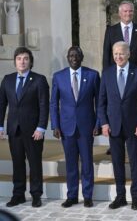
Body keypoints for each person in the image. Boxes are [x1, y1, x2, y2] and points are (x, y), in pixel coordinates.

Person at [98, 41, 137, 211]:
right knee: (117, 163)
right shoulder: (107, 74)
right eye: (115, 54)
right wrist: (104, 123)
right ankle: (120, 196)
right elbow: (101, 103)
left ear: (128, 54)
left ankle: (136, 198)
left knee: (135, 163)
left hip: (134, 126)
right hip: (113, 126)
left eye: (121, 53)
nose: (118, 57)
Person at [102, 0, 137, 154]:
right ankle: (113, 143)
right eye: (125, 11)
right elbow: (106, 55)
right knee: (114, 109)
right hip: (117, 76)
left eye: (130, 11)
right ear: (119, 13)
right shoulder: (111, 31)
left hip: (136, 77)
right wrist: (106, 77)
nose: (128, 14)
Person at [50, 46, 100, 208]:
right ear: (67, 57)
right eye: (71, 55)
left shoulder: (92, 75)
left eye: (77, 55)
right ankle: (71, 196)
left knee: (87, 162)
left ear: (82, 57)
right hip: (66, 127)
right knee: (71, 163)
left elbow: (99, 103)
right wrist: (55, 125)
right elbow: (53, 104)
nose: (74, 58)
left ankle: (87, 196)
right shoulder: (58, 77)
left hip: (87, 126)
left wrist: (98, 123)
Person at [0, 47, 49, 208]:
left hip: (33, 131)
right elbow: (2, 105)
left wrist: (41, 127)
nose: (22, 61)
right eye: (19, 58)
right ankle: (18, 194)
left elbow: (44, 105)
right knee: (17, 163)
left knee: (35, 163)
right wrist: (0, 126)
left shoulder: (39, 80)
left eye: (26, 58)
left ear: (31, 61)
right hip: (14, 129)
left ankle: (36, 195)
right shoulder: (7, 80)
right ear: (14, 61)